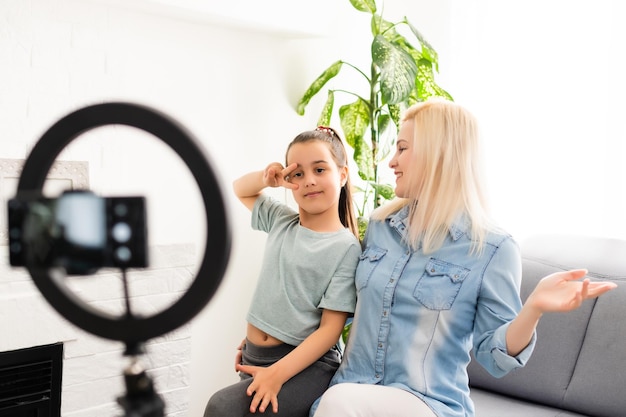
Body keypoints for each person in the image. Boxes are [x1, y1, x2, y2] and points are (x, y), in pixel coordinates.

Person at [309, 99, 617, 417]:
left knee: (340, 402)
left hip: (428, 404)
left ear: (437, 154)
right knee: (337, 400)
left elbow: (494, 357)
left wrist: (534, 307)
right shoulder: (379, 227)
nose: (391, 162)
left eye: (402, 148)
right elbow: (337, 309)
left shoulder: (492, 248)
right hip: (353, 393)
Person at [204, 126, 361, 417]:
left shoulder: (346, 247)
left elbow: (330, 330)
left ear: (342, 174)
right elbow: (241, 188)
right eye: (297, 174)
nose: (309, 181)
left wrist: (276, 374)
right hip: (256, 356)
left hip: (305, 367)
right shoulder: (281, 221)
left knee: (221, 408)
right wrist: (267, 179)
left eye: (319, 169)